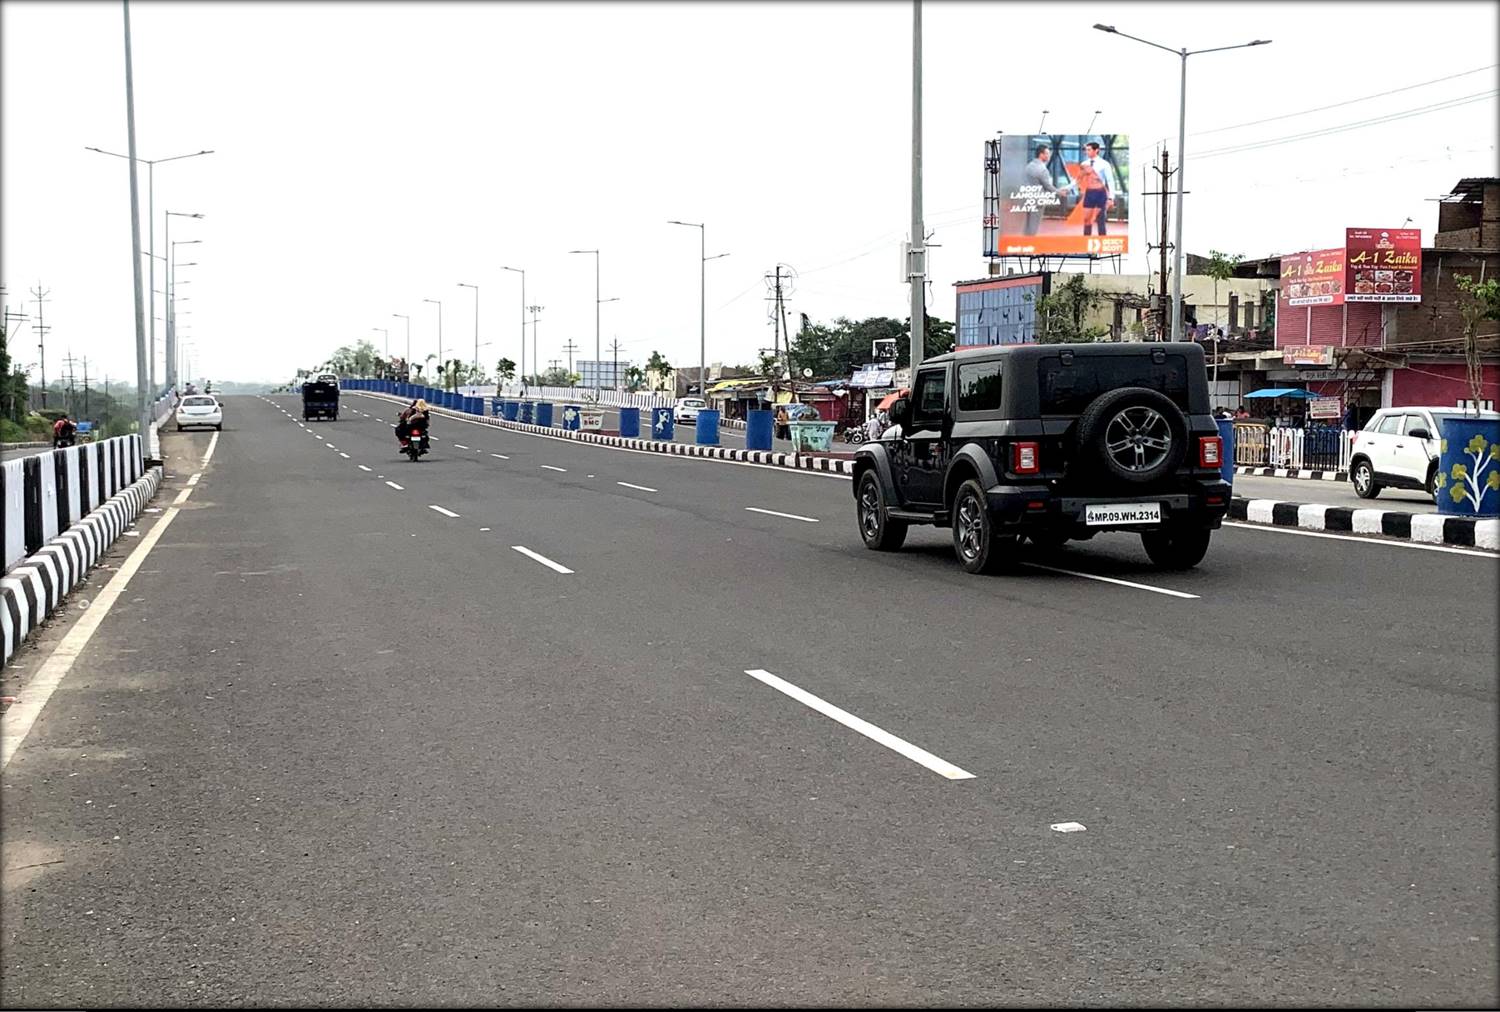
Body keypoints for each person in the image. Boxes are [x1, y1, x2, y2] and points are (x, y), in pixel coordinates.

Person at [1022, 143, 1068, 236]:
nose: (1049, 155)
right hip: (1038, 200)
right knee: (1033, 225)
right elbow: (1048, 186)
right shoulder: (1043, 170)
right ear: (1041, 154)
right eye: (1047, 153)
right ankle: (1030, 246)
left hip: (1026, 198)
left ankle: (1024, 244)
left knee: (1027, 224)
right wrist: (1060, 192)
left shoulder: (1028, 166)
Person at [1076, 141, 1117, 237]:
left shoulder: (1104, 164)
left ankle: (1102, 243)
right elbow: (1078, 179)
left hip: (1100, 194)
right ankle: (1085, 244)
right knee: (1087, 220)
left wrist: (1111, 198)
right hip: (1089, 193)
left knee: (1100, 219)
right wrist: (1069, 188)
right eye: (1086, 150)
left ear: (1096, 150)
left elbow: (1110, 181)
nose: (1086, 152)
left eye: (1089, 150)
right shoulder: (1084, 164)